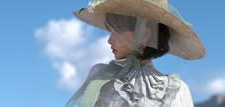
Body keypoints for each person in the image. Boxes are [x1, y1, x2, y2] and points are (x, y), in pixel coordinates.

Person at [66, 0, 205, 107]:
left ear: (144, 35)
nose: (109, 40)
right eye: (110, 30)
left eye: (117, 30)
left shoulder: (178, 90)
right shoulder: (101, 75)